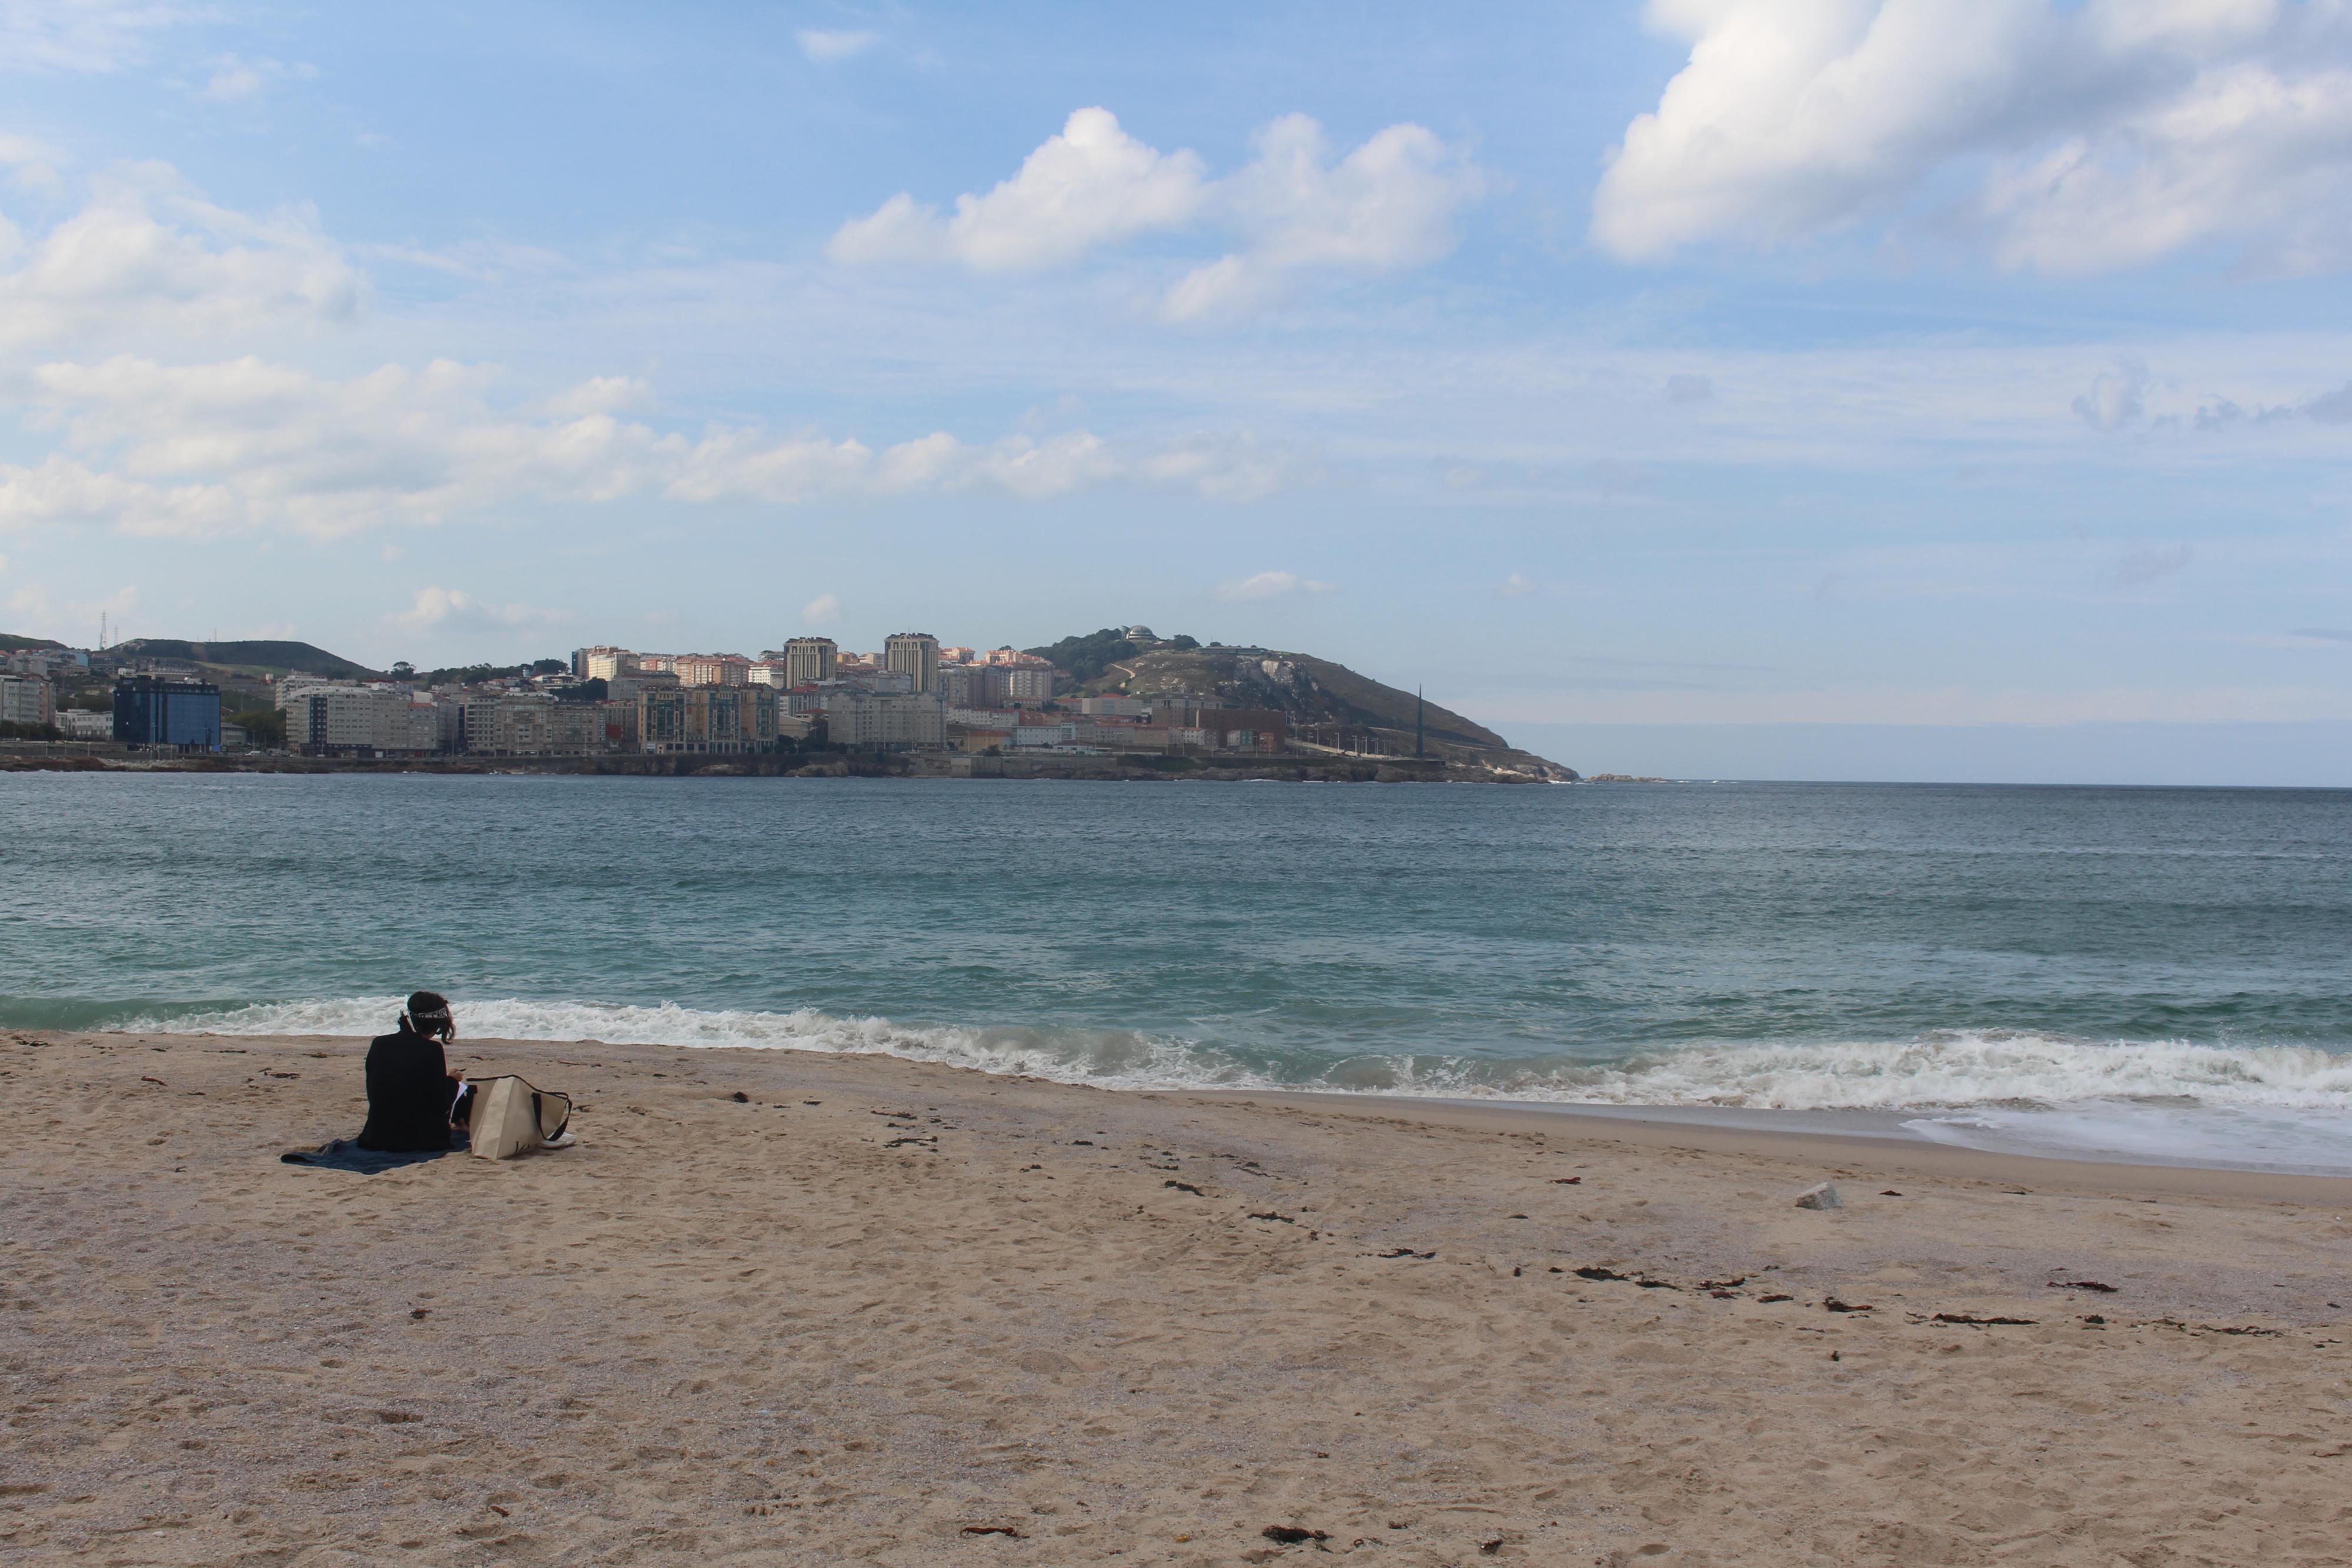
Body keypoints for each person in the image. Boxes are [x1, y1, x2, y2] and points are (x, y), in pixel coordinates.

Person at [356, 991, 467, 1152]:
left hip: (377, 1135)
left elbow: (375, 1091)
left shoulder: (380, 1044)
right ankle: (463, 1124)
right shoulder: (432, 1050)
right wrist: (452, 1081)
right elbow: (441, 1103)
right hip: (420, 1140)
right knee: (464, 1091)